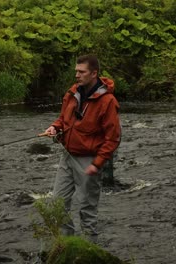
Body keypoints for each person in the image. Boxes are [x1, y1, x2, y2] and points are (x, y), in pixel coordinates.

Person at [44, 54, 121, 242]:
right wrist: (55, 127)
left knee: (87, 210)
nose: (77, 75)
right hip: (67, 156)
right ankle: (67, 245)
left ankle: (89, 251)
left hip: (89, 161)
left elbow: (113, 138)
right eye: (76, 71)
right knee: (57, 204)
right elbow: (63, 119)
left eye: (81, 72)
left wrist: (98, 163)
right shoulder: (72, 92)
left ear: (94, 73)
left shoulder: (108, 101)